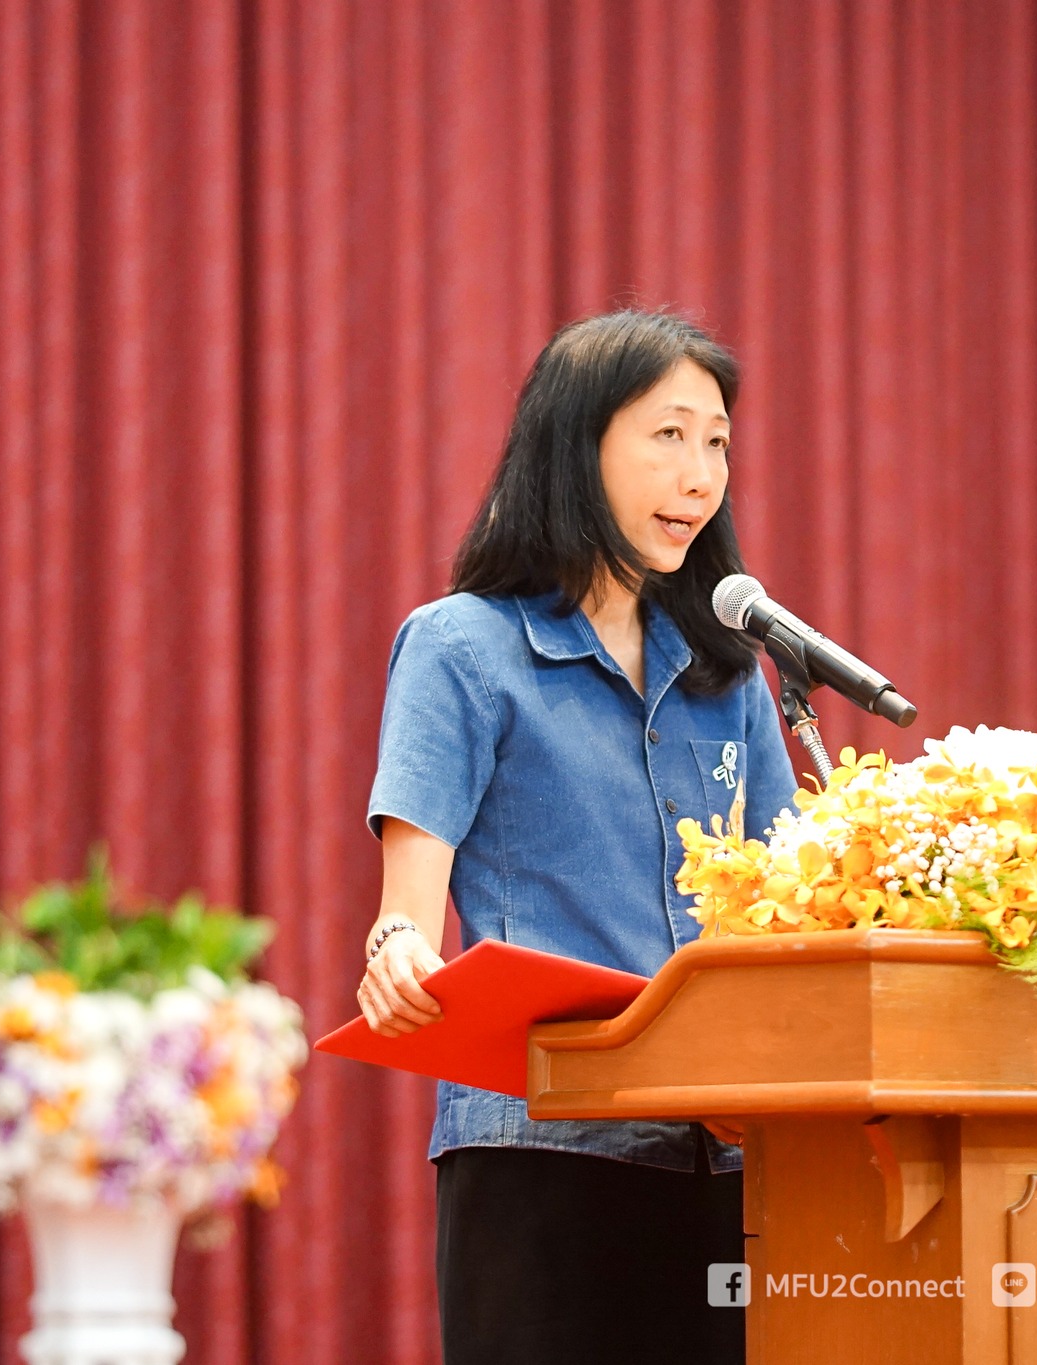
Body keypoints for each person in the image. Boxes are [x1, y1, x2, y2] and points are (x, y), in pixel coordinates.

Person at [356, 309, 797, 1364]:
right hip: (544, 1152)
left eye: (718, 443)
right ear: (576, 442)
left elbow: (795, 909)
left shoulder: (728, 673)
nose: (699, 475)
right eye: (668, 435)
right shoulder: (461, 646)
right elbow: (403, 917)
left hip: (730, 1159)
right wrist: (396, 957)